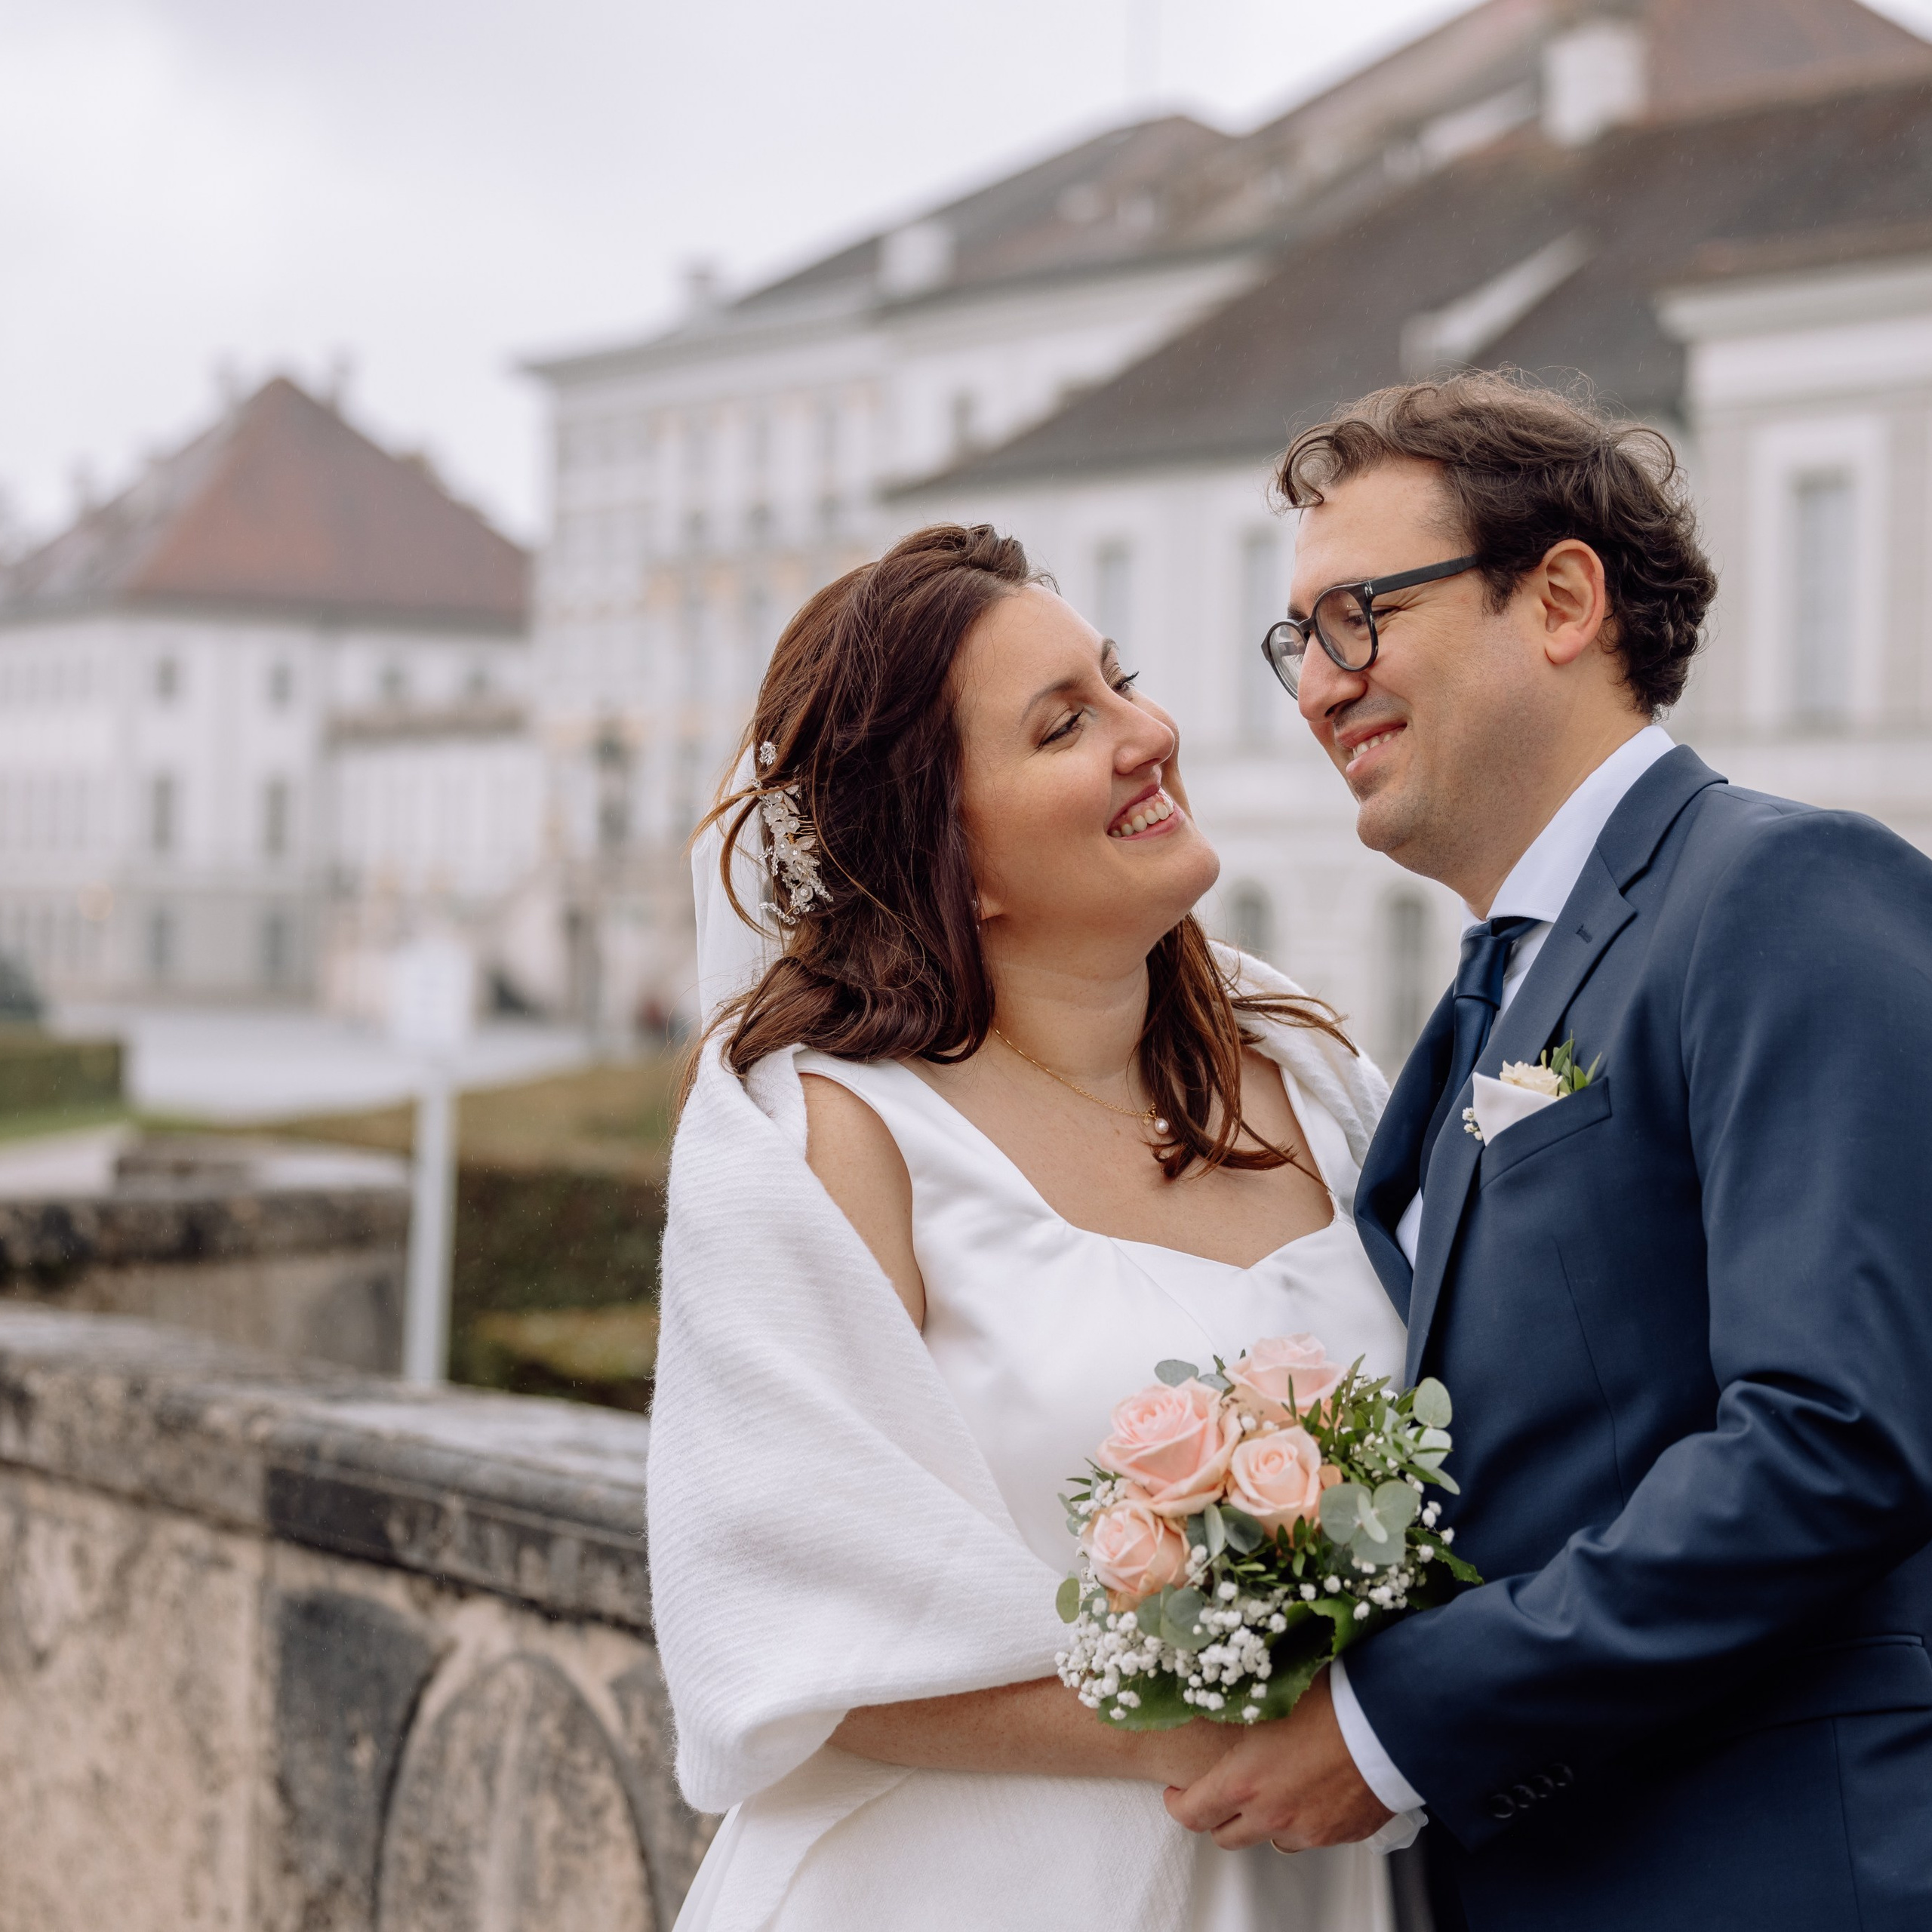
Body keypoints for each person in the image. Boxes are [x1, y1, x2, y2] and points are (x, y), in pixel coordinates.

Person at [1163, 372, 1932, 1932]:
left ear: (1561, 597)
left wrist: (1393, 1722)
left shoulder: (1777, 889)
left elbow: (1831, 1433)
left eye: (1357, 615)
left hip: (1764, 1868)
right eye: (1294, 641)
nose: (1315, 687)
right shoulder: (1474, 1000)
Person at [649, 524, 1414, 1931]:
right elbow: (795, 1629)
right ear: (954, 856)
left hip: (1319, 1882)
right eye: (1067, 725)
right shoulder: (826, 1137)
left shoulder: (1309, 1074)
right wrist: (1259, 1735)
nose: (1152, 734)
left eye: (1121, 683)